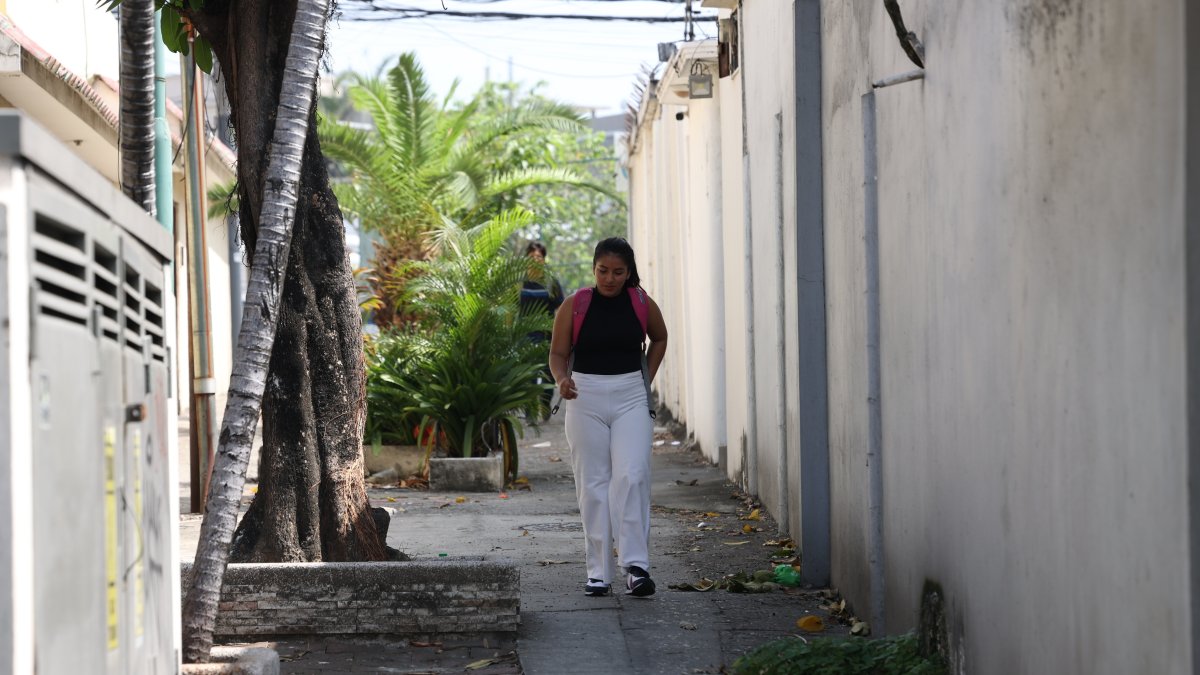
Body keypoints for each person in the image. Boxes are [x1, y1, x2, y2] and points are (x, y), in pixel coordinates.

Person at [548, 237, 668, 597]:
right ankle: (598, 571)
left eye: (618, 272)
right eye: (603, 271)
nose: (610, 278)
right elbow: (557, 353)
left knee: (632, 475)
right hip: (585, 396)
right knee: (594, 484)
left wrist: (646, 375)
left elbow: (660, 338)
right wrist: (561, 380)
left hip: (632, 394)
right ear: (594, 268)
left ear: (629, 272)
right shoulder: (576, 305)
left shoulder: (641, 303)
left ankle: (636, 567)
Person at [520, 242, 565, 415]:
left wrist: (561, 332)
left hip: (547, 333)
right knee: (528, 373)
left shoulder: (550, 281)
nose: (535, 259)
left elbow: (560, 306)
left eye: (538, 256)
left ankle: (545, 404)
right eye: (531, 256)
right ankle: (530, 410)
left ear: (544, 260)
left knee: (548, 371)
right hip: (525, 334)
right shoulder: (519, 282)